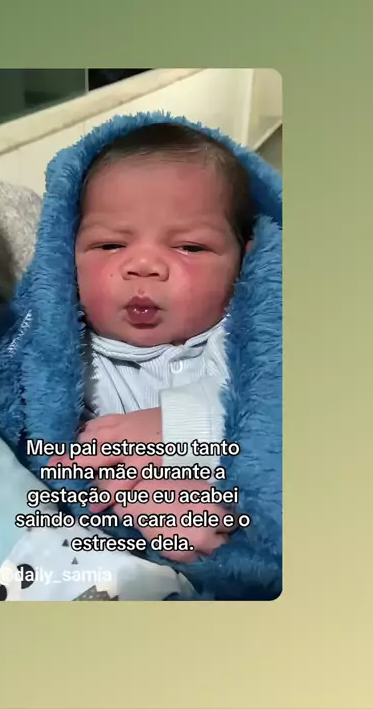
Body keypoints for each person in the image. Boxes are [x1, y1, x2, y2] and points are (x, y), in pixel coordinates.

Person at [48, 122, 256, 563]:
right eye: (109, 245)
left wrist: (181, 425)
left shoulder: (250, 338)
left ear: (245, 258)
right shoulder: (65, 368)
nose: (143, 265)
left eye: (190, 248)